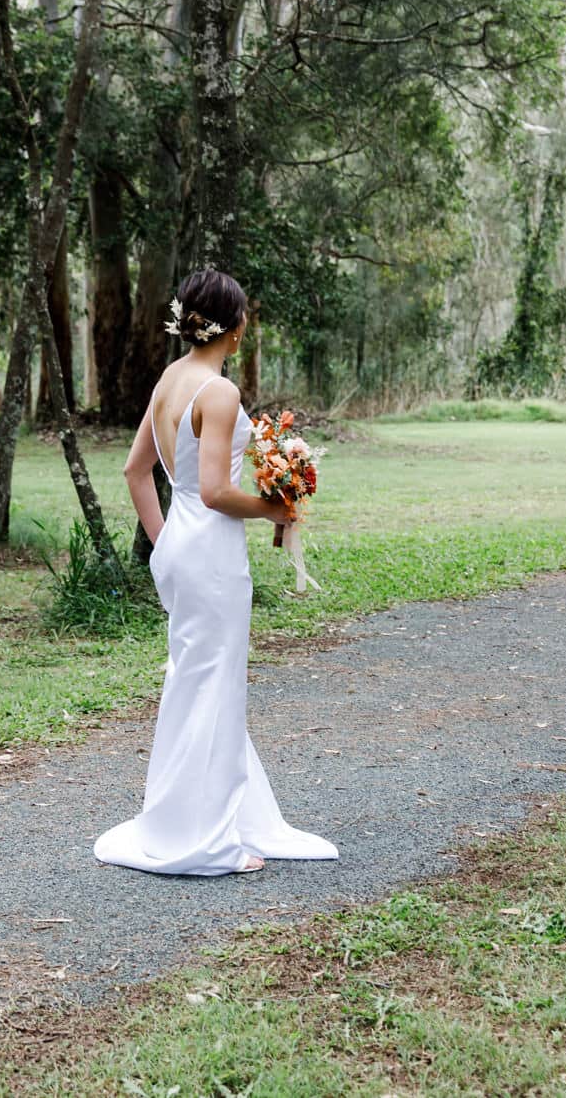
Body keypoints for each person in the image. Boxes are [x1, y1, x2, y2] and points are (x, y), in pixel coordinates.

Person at [93, 269, 340, 875]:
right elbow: (215, 490)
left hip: (181, 550)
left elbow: (135, 471)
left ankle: (208, 815)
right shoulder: (220, 393)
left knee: (194, 680)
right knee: (213, 684)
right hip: (211, 557)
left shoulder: (171, 379)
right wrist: (275, 509)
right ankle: (201, 839)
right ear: (237, 326)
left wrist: (164, 543)